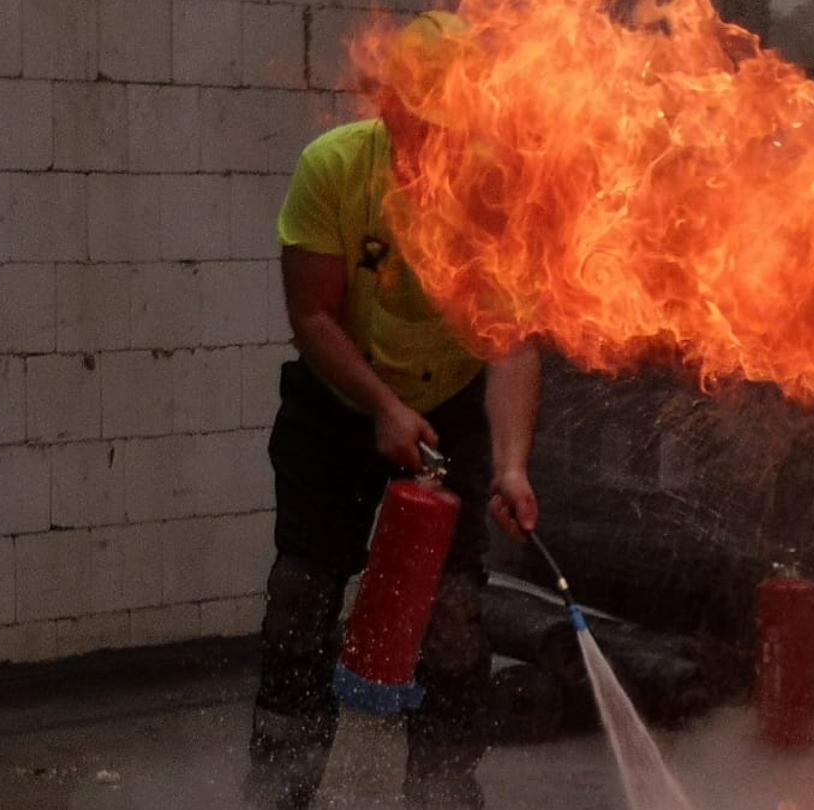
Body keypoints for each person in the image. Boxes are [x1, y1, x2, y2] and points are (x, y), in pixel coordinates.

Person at [244, 13, 543, 809]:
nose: (436, 146)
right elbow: (311, 316)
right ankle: (281, 786)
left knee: (453, 613)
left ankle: (444, 789)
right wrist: (380, 407)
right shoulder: (334, 170)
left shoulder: (492, 190)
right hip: (340, 399)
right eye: (422, 124)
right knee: (303, 595)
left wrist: (511, 464)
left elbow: (510, 344)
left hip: (449, 405)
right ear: (393, 109)